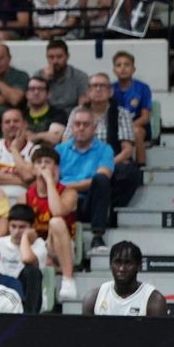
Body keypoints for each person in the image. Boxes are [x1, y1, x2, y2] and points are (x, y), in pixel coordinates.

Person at [58, 108, 119, 252]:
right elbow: (50, 178)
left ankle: (97, 236)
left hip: (88, 202)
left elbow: (104, 176)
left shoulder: (105, 149)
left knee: (101, 180)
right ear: (72, 127)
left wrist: (67, 186)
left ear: (95, 128)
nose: (81, 128)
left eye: (86, 124)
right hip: (64, 201)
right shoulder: (60, 150)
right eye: (77, 124)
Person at [25, 146, 80, 300]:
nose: (42, 166)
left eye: (47, 162)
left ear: (56, 167)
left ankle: (68, 280)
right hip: (39, 246)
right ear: (33, 168)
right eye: (38, 162)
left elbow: (57, 211)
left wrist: (49, 180)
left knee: (56, 222)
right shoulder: (27, 195)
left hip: (64, 246)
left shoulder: (69, 192)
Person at [83, 241, 167, 316]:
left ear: (139, 266)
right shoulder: (94, 298)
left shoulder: (154, 300)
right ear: (110, 265)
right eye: (117, 262)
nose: (121, 269)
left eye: (127, 263)